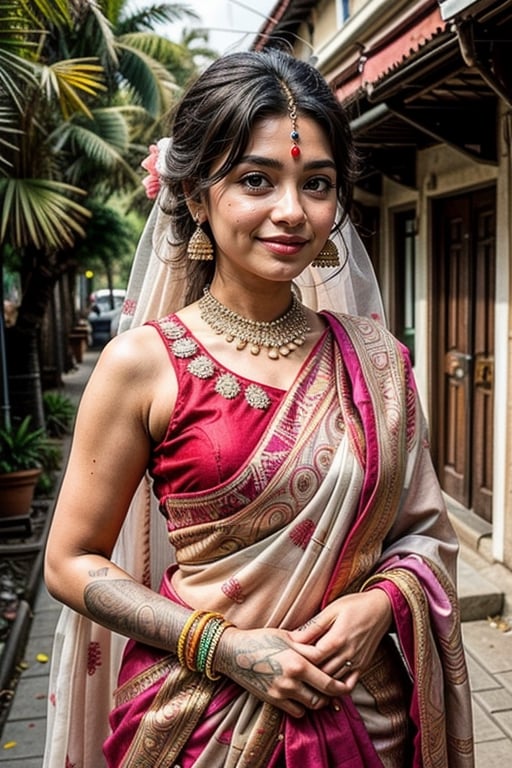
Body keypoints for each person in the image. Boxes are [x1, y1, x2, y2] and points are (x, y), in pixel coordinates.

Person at [43, 48, 474, 767]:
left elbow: (424, 535)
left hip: (369, 716)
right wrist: (230, 648)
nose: (292, 212)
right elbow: (69, 561)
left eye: (317, 184)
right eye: (255, 180)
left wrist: (379, 606)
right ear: (192, 194)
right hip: (196, 721)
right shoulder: (143, 365)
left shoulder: (378, 360)